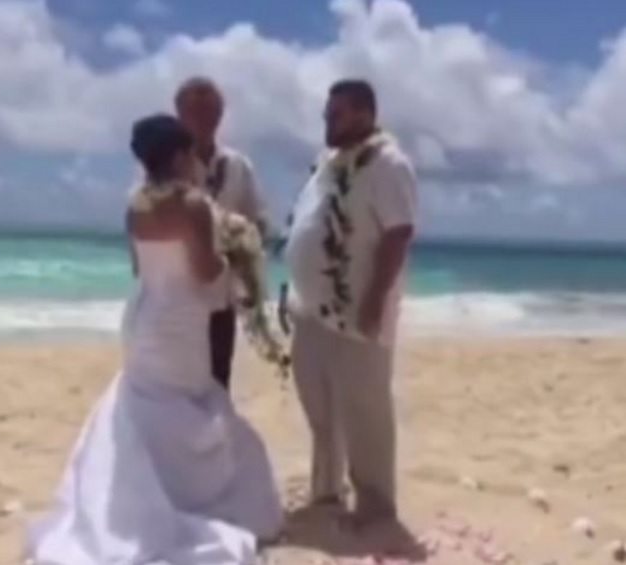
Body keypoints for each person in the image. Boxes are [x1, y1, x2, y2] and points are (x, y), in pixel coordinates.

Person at [28, 115, 282, 565]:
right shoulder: (193, 205)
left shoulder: (135, 207)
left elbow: (137, 268)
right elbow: (204, 273)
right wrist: (235, 260)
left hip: (145, 317)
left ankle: (154, 496)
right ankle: (189, 501)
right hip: (181, 323)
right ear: (181, 155)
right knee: (186, 404)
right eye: (192, 154)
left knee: (150, 404)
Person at [283, 79, 417, 528]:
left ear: (364, 114)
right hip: (311, 308)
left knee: (364, 409)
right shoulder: (329, 164)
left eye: (335, 114)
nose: (327, 122)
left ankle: (376, 505)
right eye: (327, 114)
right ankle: (327, 491)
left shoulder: (388, 164)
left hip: (358, 309)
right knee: (319, 404)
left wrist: (374, 299)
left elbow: (398, 234)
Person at [175, 76, 267, 391]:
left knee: (217, 382)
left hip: (222, 298)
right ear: (180, 115)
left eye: (211, 112)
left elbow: (258, 222)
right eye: (195, 112)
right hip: (179, 298)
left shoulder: (239, 165)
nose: (204, 120)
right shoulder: (164, 166)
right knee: (178, 386)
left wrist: (243, 246)